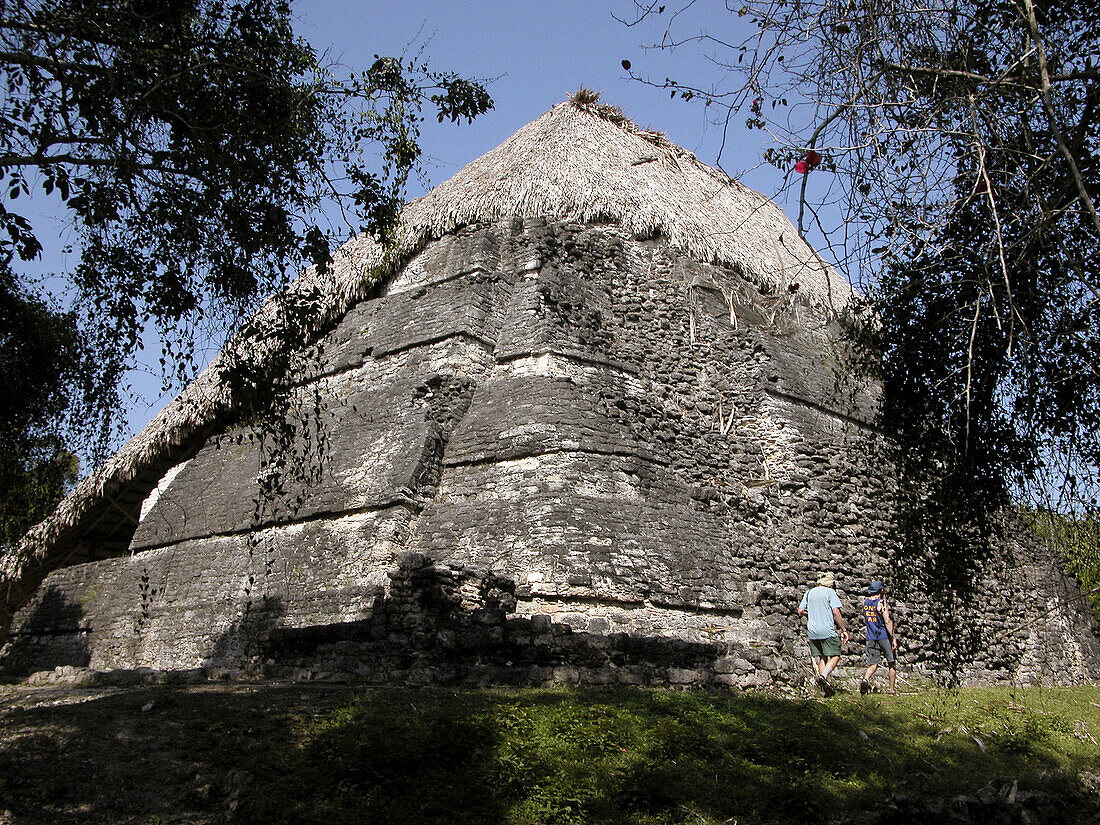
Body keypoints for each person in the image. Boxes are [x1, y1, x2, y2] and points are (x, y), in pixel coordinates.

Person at [798, 572, 849, 696]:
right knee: (836, 654)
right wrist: (843, 629)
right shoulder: (830, 593)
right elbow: (836, 612)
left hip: (813, 631)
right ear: (830, 583)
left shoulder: (809, 592)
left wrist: (811, 614)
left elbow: (800, 611)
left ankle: (825, 689)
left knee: (822, 657)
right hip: (826, 629)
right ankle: (823, 676)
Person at [859, 580, 897, 695]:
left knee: (873, 663)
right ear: (881, 590)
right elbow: (887, 621)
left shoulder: (865, 602)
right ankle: (891, 689)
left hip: (871, 636)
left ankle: (865, 680)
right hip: (883, 636)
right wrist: (893, 638)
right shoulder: (881, 603)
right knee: (891, 662)